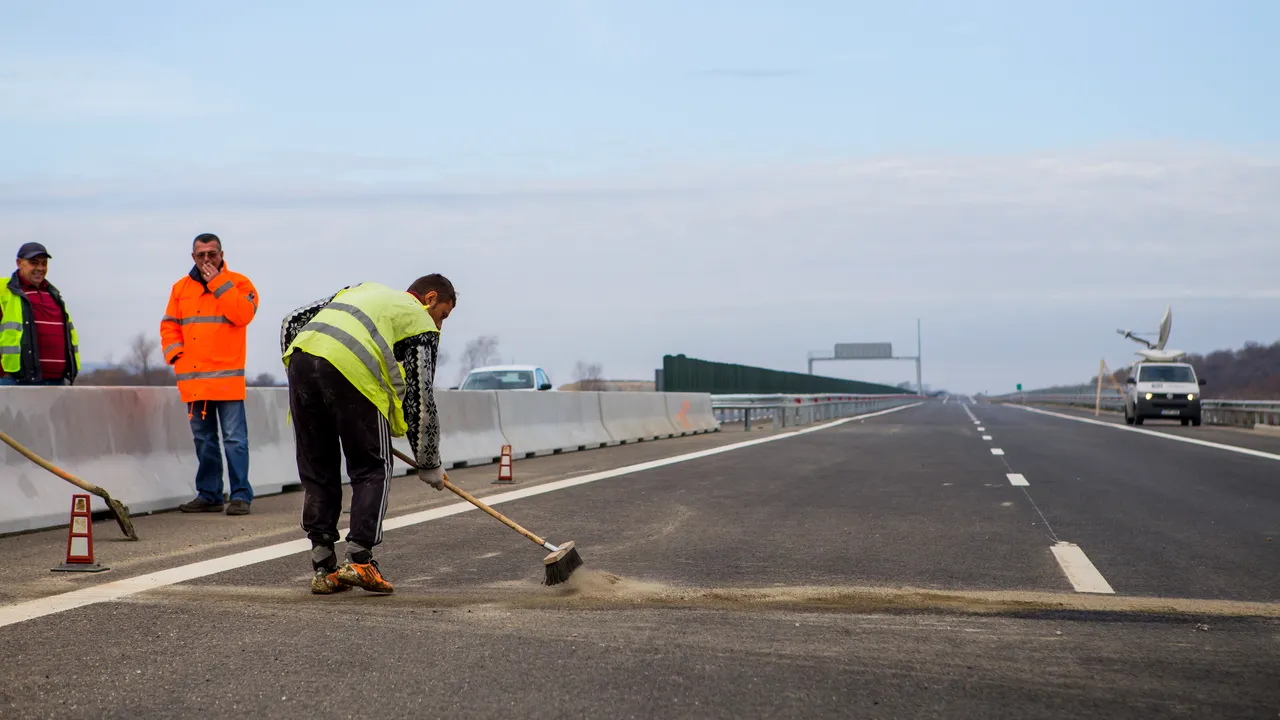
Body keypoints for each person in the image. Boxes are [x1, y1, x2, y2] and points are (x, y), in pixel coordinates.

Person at [279, 274, 455, 595]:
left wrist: (311, 376)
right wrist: (428, 461)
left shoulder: (361, 291)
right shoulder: (419, 321)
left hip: (302, 360)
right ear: (430, 299)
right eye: (443, 315)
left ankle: (324, 567)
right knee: (372, 466)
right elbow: (420, 398)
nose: (440, 326)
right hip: (352, 370)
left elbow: (292, 321)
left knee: (319, 468)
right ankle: (360, 558)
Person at [160, 233, 260, 516]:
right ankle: (210, 494)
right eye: (201, 254)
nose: (207, 259)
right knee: (204, 441)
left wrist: (217, 281)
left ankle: (241, 495)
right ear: (193, 257)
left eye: (212, 254)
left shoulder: (240, 284)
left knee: (234, 440)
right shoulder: (180, 288)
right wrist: (176, 355)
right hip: (194, 381)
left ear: (221, 254)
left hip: (227, 381)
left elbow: (242, 315)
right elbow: (169, 325)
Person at [0, 242, 80, 386]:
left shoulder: (54, 295)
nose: (40, 268)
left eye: (44, 264)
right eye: (33, 263)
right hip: (15, 381)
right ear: (19, 263)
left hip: (57, 382)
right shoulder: (5, 291)